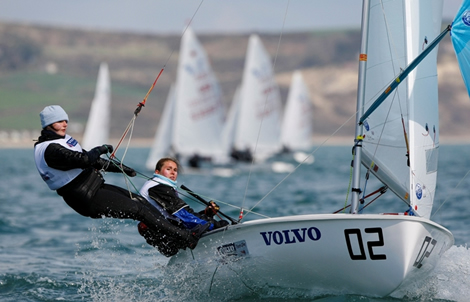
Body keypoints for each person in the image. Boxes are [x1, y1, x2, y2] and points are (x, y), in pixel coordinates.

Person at [34, 105, 202, 251]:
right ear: (48, 125)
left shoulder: (63, 141)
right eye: (59, 121)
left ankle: (174, 237)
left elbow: (95, 163)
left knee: (140, 201)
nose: (64, 124)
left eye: (65, 121)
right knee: (139, 211)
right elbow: (85, 160)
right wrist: (100, 148)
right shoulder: (50, 149)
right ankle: (187, 238)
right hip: (86, 198)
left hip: (96, 187)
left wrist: (121, 169)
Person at [137, 157, 229, 256]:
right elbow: (184, 215)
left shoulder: (155, 185)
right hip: (160, 233)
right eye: (168, 169)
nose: (173, 172)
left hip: (159, 231)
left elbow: (179, 216)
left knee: (202, 224)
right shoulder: (158, 187)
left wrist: (206, 214)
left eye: (175, 170)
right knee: (210, 225)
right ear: (157, 172)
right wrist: (215, 225)